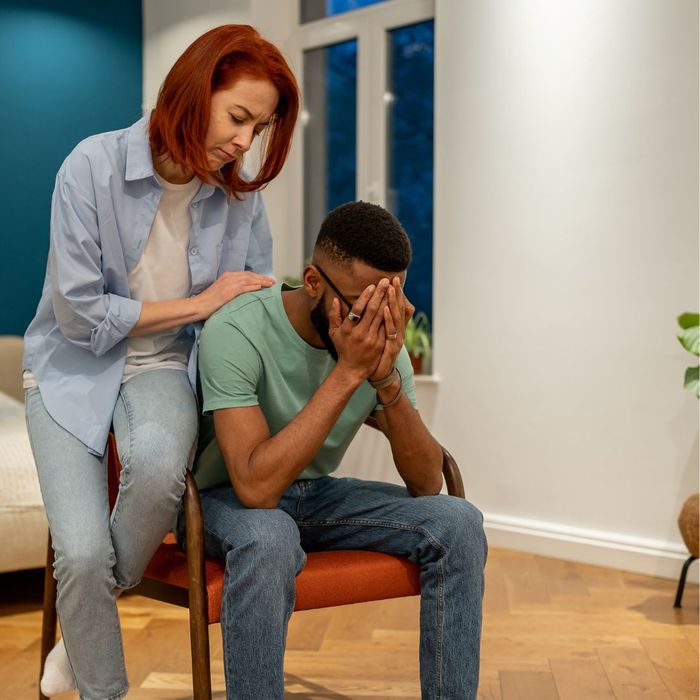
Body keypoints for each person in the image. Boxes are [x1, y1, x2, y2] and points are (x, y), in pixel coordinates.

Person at [23, 25, 299, 699]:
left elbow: (250, 303)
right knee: (78, 553)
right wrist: (203, 303)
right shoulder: (90, 165)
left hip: (165, 368)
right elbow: (81, 316)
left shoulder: (239, 196)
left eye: (258, 127)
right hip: (68, 366)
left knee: (149, 472)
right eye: (238, 117)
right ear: (193, 91)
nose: (243, 141)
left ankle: (89, 615)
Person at [189, 201, 487, 699]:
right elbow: (256, 487)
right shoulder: (238, 330)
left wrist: (386, 377)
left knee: (458, 522)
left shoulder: (379, 345)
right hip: (225, 501)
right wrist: (349, 372)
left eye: (388, 304)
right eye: (360, 305)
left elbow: (426, 483)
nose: (376, 321)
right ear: (312, 282)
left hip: (317, 497)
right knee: (269, 535)